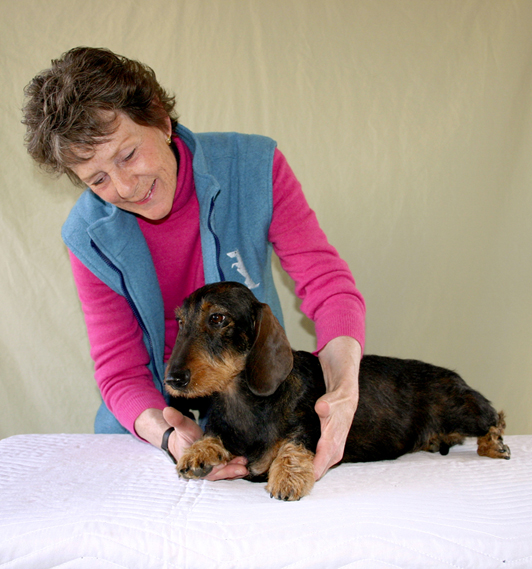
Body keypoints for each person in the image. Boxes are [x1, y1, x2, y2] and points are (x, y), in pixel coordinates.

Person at [22, 47, 365, 482]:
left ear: (161, 121)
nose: (125, 187)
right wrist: (168, 434)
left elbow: (327, 284)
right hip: (154, 423)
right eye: (98, 179)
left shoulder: (253, 168)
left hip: (255, 405)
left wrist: (343, 385)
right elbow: (120, 370)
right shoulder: (86, 235)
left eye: (128, 155)